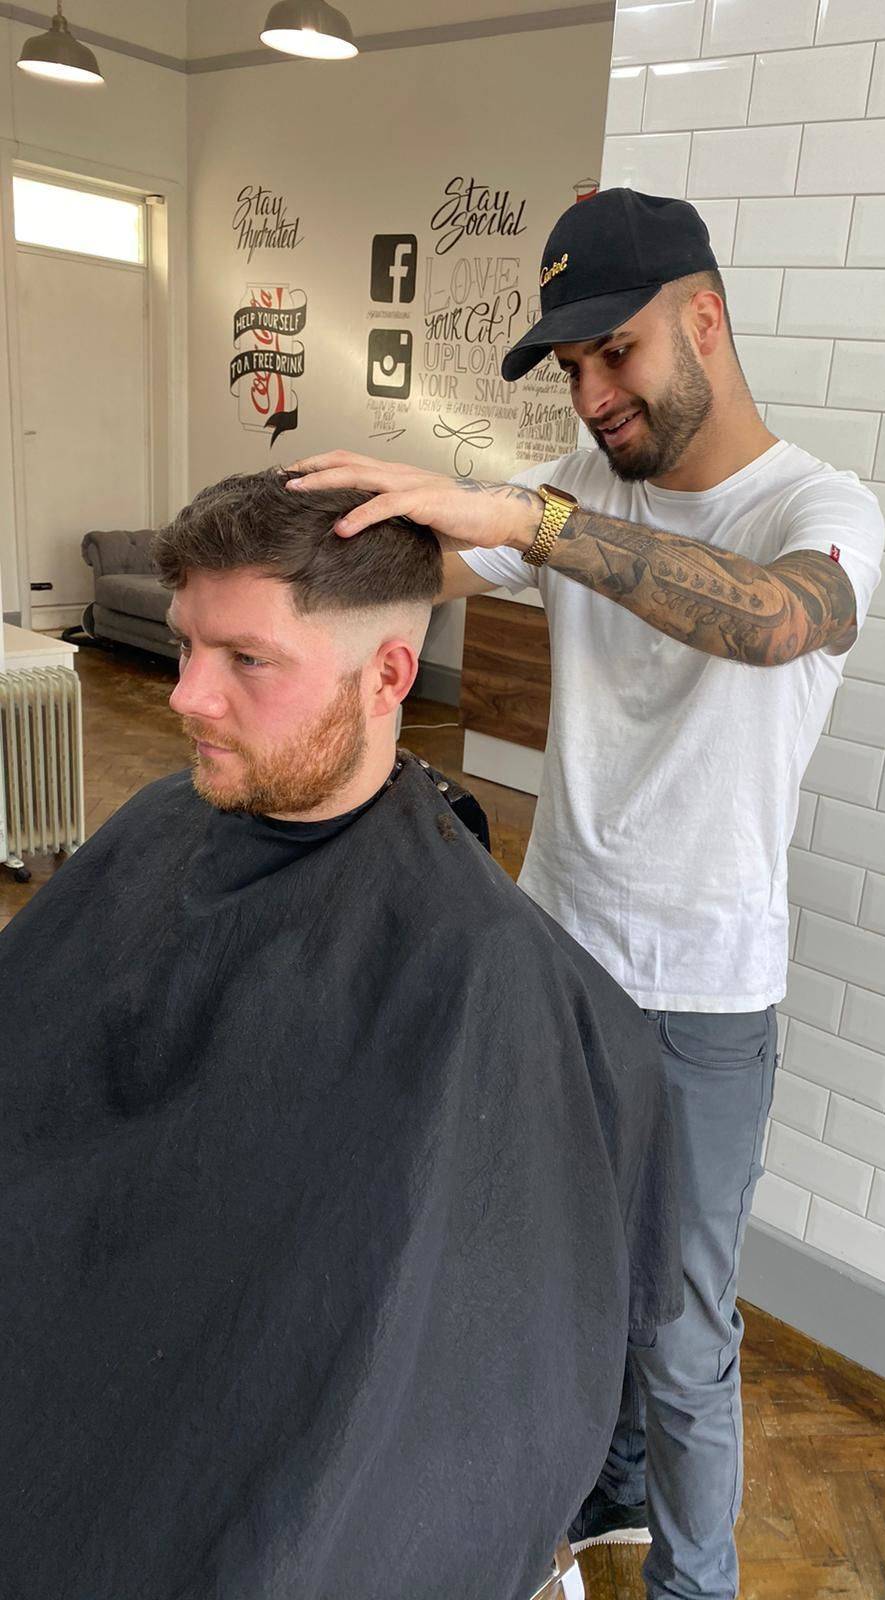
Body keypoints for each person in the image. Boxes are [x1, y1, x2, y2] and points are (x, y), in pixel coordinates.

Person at [288, 187, 885, 1600]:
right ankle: (595, 1499)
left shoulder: (819, 508)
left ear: (706, 319)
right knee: (551, 1278)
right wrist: (309, 556)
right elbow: (430, 564)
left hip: (707, 1003)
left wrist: (540, 520)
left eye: (615, 352)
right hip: (554, 961)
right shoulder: (580, 482)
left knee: (682, 1337)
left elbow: (775, 619)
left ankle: (693, 1583)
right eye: (570, 367)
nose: (593, 394)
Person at [0, 469, 681, 1600]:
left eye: (246, 659)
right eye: (188, 645)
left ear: (390, 676)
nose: (186, 697)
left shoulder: (475, 965)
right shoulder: (162, 827)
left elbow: (446, 1365)